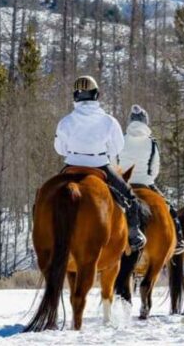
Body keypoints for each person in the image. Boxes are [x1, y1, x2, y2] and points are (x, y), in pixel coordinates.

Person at [54, 75, 147, 251]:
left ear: (76, 96)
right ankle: (134, 236)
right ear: (96, 95)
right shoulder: (109, 121)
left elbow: (60, 149)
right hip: (100, 165)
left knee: (48, 194)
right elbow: (116, 149)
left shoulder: (65, 122)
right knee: (129, 197)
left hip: (71, 164)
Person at [118, 105, 184, 254]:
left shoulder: (121, 139)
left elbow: (114, 162)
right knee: (170, 209)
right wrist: (148, 179)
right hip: (145, 182)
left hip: (123, 183)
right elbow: (155, 167)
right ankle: (179, 241)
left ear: (130, 121)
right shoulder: (152, 143)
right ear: (146, 121)